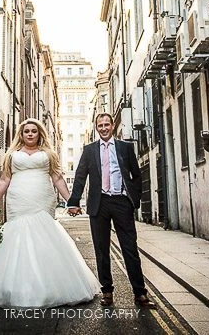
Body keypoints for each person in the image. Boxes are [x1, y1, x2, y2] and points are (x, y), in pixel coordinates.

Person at [0, 118, 100, 308]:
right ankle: (12, 287)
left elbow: (58, 178)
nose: (30, 134)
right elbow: (4, 179)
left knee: (43, 234)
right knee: (16, 236)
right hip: (17, 200)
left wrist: (72, 201)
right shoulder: (11, 155)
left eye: (33, 131)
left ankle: (48, 287)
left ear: (39, 134)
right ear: (21, 133)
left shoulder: (48, 154)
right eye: (26, 131)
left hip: (42, 198)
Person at [67, 113, 157, 308]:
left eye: (107, 124)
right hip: (99, 204)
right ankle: (107, 292)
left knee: (130, 248)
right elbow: (80, 176)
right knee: (101, 250)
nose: (104, 128)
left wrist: (134, 199)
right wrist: (73, 202)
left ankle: (140, 293)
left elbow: (136, 174)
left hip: (121, 202)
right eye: (100, 125)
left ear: (113, 126)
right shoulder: (89, 150)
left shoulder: (125, 147)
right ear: (96, 127)